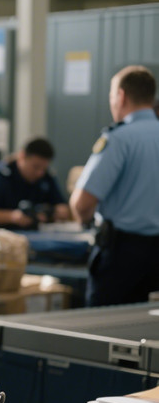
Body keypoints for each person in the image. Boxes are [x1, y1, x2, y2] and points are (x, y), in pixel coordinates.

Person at [71, 65, 159, 307]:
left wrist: (85, 221)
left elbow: (82, 203)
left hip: (122, 256)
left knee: (104, 330)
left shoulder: (119, 139)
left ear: (121, 96)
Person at [0, 137, 70, 229]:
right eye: (36, 167)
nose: (40, 173)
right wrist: (12, 217)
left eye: (44, 168)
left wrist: (49, 213)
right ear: (22, 156)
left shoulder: (46, 177)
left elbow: (63, 208)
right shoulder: (2, 175)